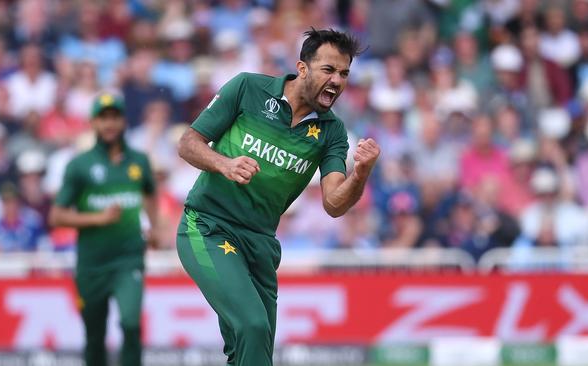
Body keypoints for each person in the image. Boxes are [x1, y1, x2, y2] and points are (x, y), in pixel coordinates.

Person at [175, 28, 379, 366]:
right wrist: (224, 164)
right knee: (253, 326)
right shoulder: (248, 89)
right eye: (328, 70)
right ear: (302, 68)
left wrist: (361, 172)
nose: (338, 80)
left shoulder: (332, 132)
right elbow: (188, 144)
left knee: (252, 352)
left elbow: (334, 204)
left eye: (344, 73)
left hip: (260, 243)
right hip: (207, 226)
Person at [49, 91, 157, 366]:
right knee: (94, 337)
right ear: (93, 123)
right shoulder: (80, 165)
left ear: (123, 121)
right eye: (102, 118)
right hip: (92, 264)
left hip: (129, 259)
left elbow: (150, 194)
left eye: (114, 117)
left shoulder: (139, 161)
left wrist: (154, 228)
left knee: (131, 324)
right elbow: (57, 216)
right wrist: (98, 219)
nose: (109, 124)